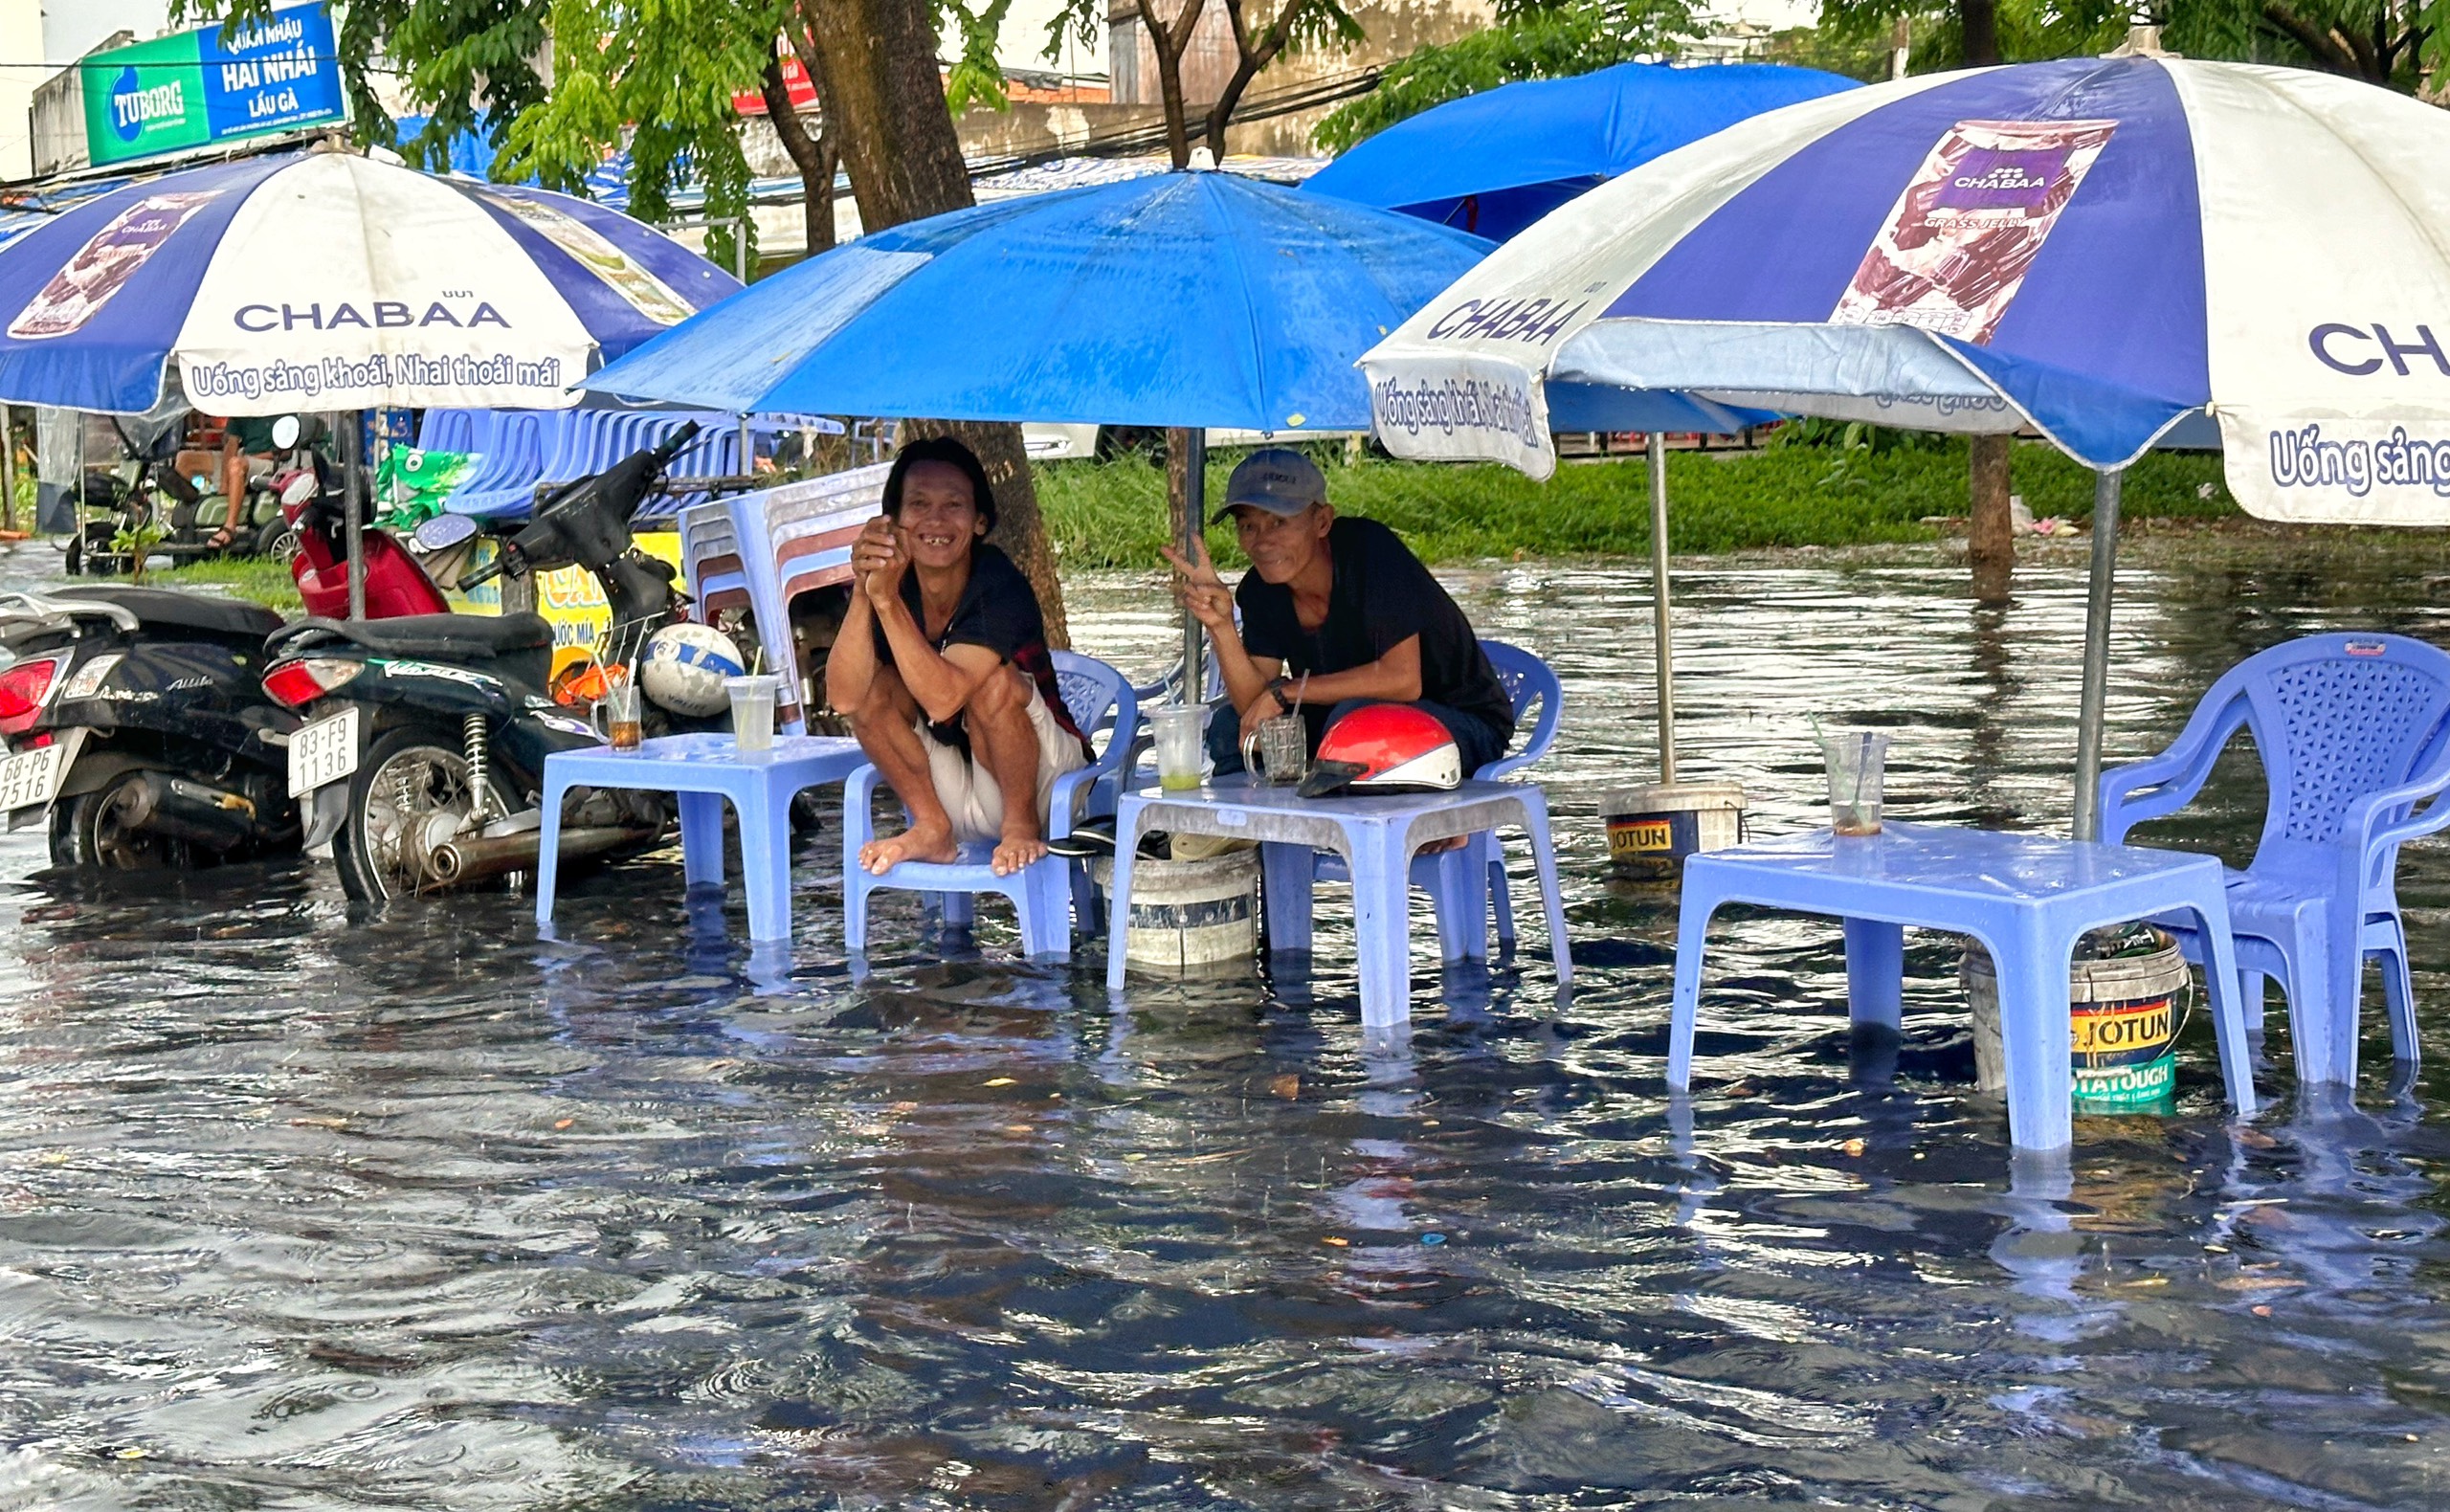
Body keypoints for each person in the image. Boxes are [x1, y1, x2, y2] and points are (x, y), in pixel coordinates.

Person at [1164, 447, 1514, 782]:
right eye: (1248, 526)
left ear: (1322, 522)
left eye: (1279, 523)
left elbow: (1403, 680)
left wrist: (1286, 692)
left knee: (1353, 726)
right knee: (1229, 727)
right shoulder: (1260, 589)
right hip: (1349, 716)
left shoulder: (1370, 553)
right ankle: (1248, 835)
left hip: (1462, 723)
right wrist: (1221, 626)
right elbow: (1251, 707)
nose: (1263, 541)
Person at [826, 436, 1091, 878]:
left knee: (992, 683)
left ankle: (1020, 826)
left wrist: (887, 604)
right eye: (918, 504)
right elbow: (844, 699)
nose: (936, 520)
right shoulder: (894, 581)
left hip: (1047, 781)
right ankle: (932, 827)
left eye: (954, 505)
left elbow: (945, 699)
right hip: (961, 781)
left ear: (980, 521)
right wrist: (864, 589)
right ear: (893, 523)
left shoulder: (998, 583)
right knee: (875, 694)